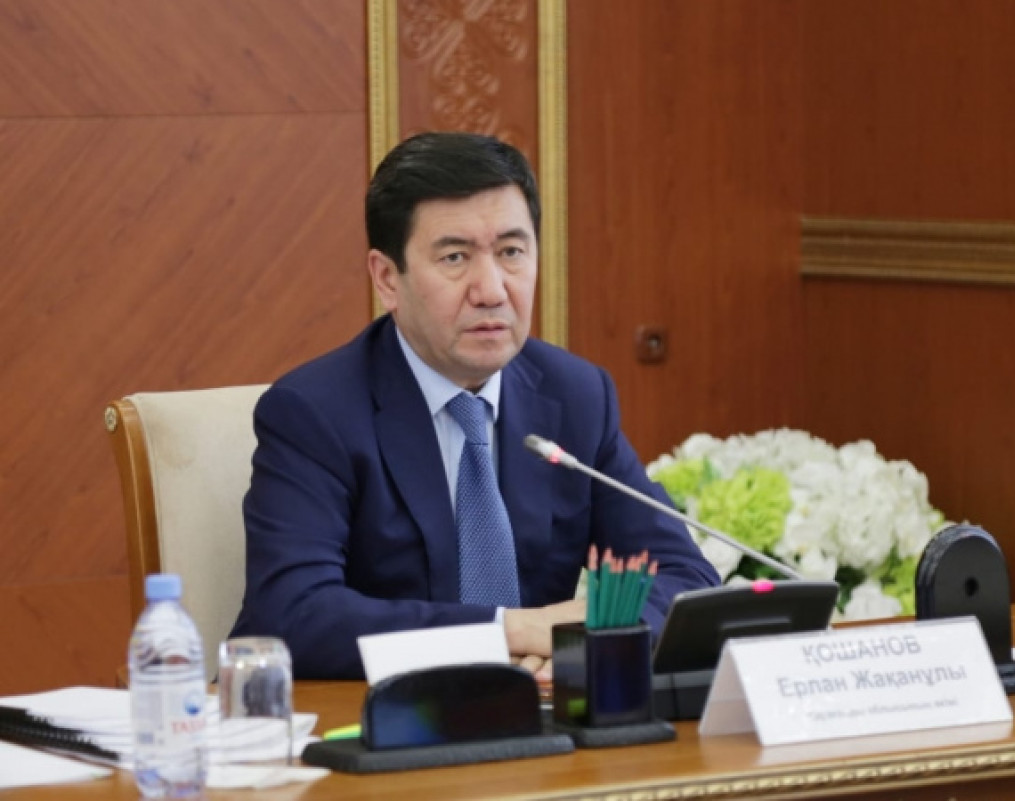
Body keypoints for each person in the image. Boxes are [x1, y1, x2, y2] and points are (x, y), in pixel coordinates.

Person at [230, 131, 719, 679]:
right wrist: (507, 630)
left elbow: (686, 579)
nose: (492, 290)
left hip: (543, 710)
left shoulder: (576, 396)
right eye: (455, 257)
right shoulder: (315, 412)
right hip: (390, 713)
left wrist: (591, 628)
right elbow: (291, 614)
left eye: (511, 253)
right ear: (388, 279)